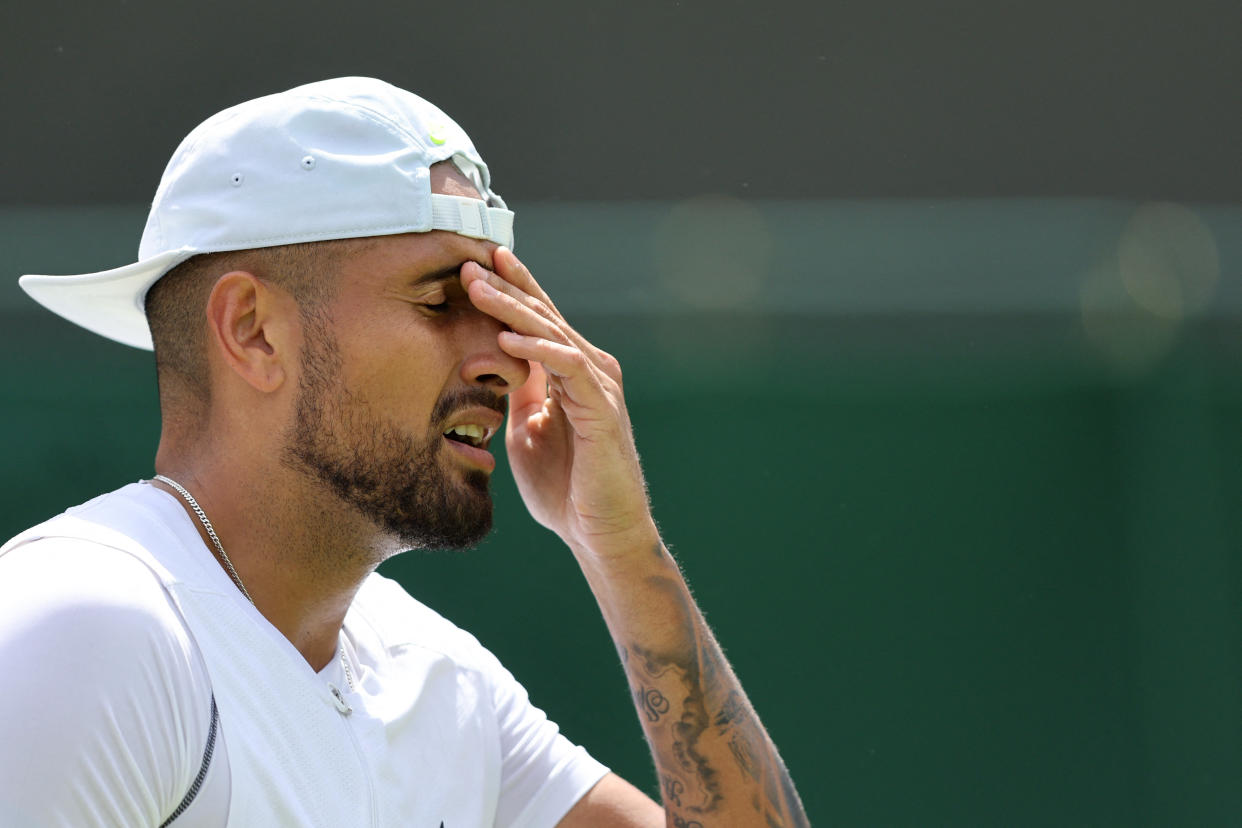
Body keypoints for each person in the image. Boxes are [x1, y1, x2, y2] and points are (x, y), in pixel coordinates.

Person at [0, 77, 808, 827]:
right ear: (252, 331)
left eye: (505, 303)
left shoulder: (438, 678)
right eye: (442, 299)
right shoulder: (85, 628)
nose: (509, 356)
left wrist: (623, 549)